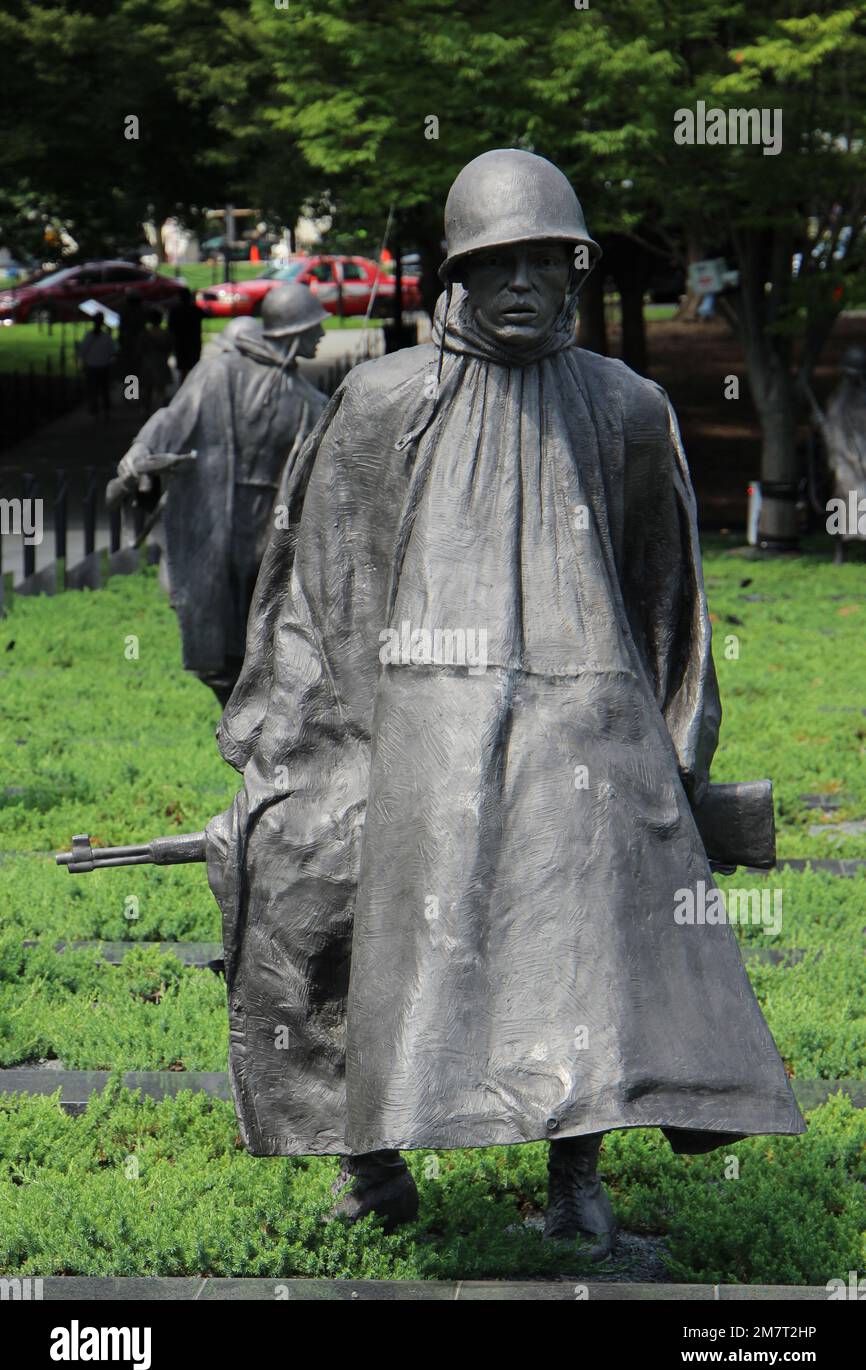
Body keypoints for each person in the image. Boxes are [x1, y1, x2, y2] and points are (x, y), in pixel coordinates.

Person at [203, 150, 805, 1255]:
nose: (521, 282)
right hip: (419, 726)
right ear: (457, 273)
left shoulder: (625, 407)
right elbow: (318, 585)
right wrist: (299, 749)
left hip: (583, 727)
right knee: (312, 869)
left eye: (544, 259)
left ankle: (577, 1183)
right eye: (496, 262)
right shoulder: (383, 401)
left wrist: (670, 752)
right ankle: (369, 1161)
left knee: (591, 936)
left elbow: (664, 592)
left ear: (574, 270)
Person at [108, 283, 329, 705]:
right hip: (216, 511)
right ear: (293, 330)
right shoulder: (221, 372)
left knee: (263, 627)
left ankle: (256, 718)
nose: (321, 335)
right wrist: (141, 450)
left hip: (270, 525)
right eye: (315, 327)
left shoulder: (308, 400)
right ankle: (235, 707)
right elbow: (175, 416)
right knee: (212, 624)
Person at [807, 344, 866, 564]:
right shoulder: (838, 400)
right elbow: (834, 428)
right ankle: (840, 550)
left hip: (861, 459)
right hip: (845, 462)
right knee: (843, 503)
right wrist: (823, 424)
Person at [77, 311, 115, 417]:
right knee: (104, 390)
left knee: (93, 390)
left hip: (92, 366)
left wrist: (81, 363)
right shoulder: (107, 337)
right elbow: (112, 352)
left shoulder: (88, 336)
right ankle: (106, 410)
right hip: (104, 366)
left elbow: (82, 351)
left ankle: (95, 410)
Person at [139, 308, 174, 416]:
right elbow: (170, 348)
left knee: (147, 389)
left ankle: (145, 410)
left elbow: (140, 349)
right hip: (161, 362)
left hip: (148, 363)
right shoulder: (165, 333)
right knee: (161, 389)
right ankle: (162, 412)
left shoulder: (145, 334)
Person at [168, 286, 204, 382]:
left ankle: (182, 390)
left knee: (182, 370)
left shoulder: (175, 311)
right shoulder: (195, 310)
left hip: (180, 343)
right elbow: (207, 313)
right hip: (194, 342)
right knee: (194, 369)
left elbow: (170, 327)